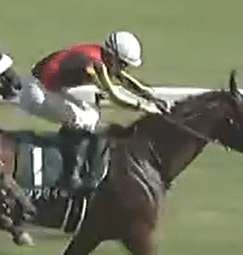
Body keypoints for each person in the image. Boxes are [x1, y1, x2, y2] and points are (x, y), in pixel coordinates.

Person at [16, 31, 167, 193]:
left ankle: (76, 166)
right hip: (35, 92)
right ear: (112, 57)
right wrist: (144, 107)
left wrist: (150, 96)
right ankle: (70, 177)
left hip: (45, 87)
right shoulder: (93, 63)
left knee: (92, 116)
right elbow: (113, 95)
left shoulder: (101, 56)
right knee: (85, 120)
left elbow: (124, 79)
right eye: (123, 64)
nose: (124, 68)